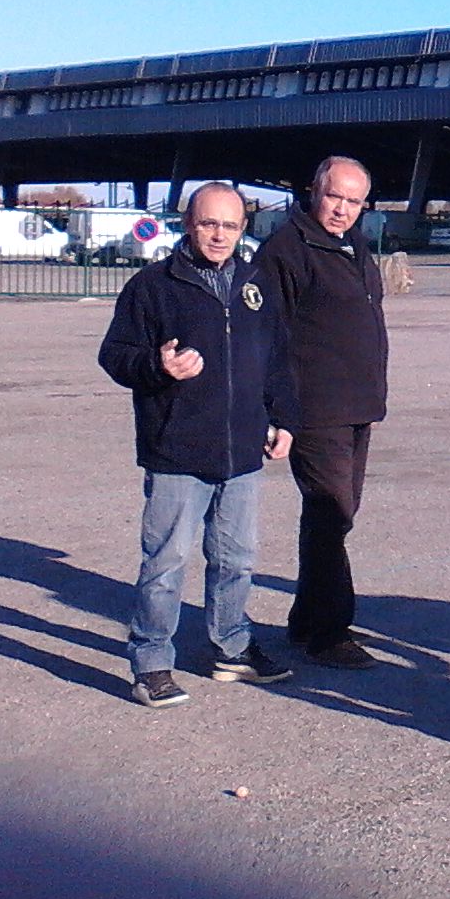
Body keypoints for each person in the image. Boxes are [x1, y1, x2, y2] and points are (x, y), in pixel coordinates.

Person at [98, 183, 298, 708]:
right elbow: (115, 355)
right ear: (189, 224)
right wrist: (157, 366)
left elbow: (275, 360)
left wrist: (283, 419)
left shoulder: (255, 284)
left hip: (242, 450)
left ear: (243, 230)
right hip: (177, 450)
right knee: (165, 563)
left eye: (230, 226)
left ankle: (232, 647)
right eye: (209, 224)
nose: (219, 235)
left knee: (237, 559)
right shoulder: (153, 287)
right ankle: (151, 663)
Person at [260, 156, 390, 669]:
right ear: (314, 190)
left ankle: (306, 619)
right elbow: (267, 336)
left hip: (357, 405)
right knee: (330, 512)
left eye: (353, 201)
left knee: (334, 516)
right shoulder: (287, 250)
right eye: (334, 196)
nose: (342, 209)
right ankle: (329, 632)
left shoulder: (351, 245)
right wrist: (278, 412)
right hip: (313, 408)